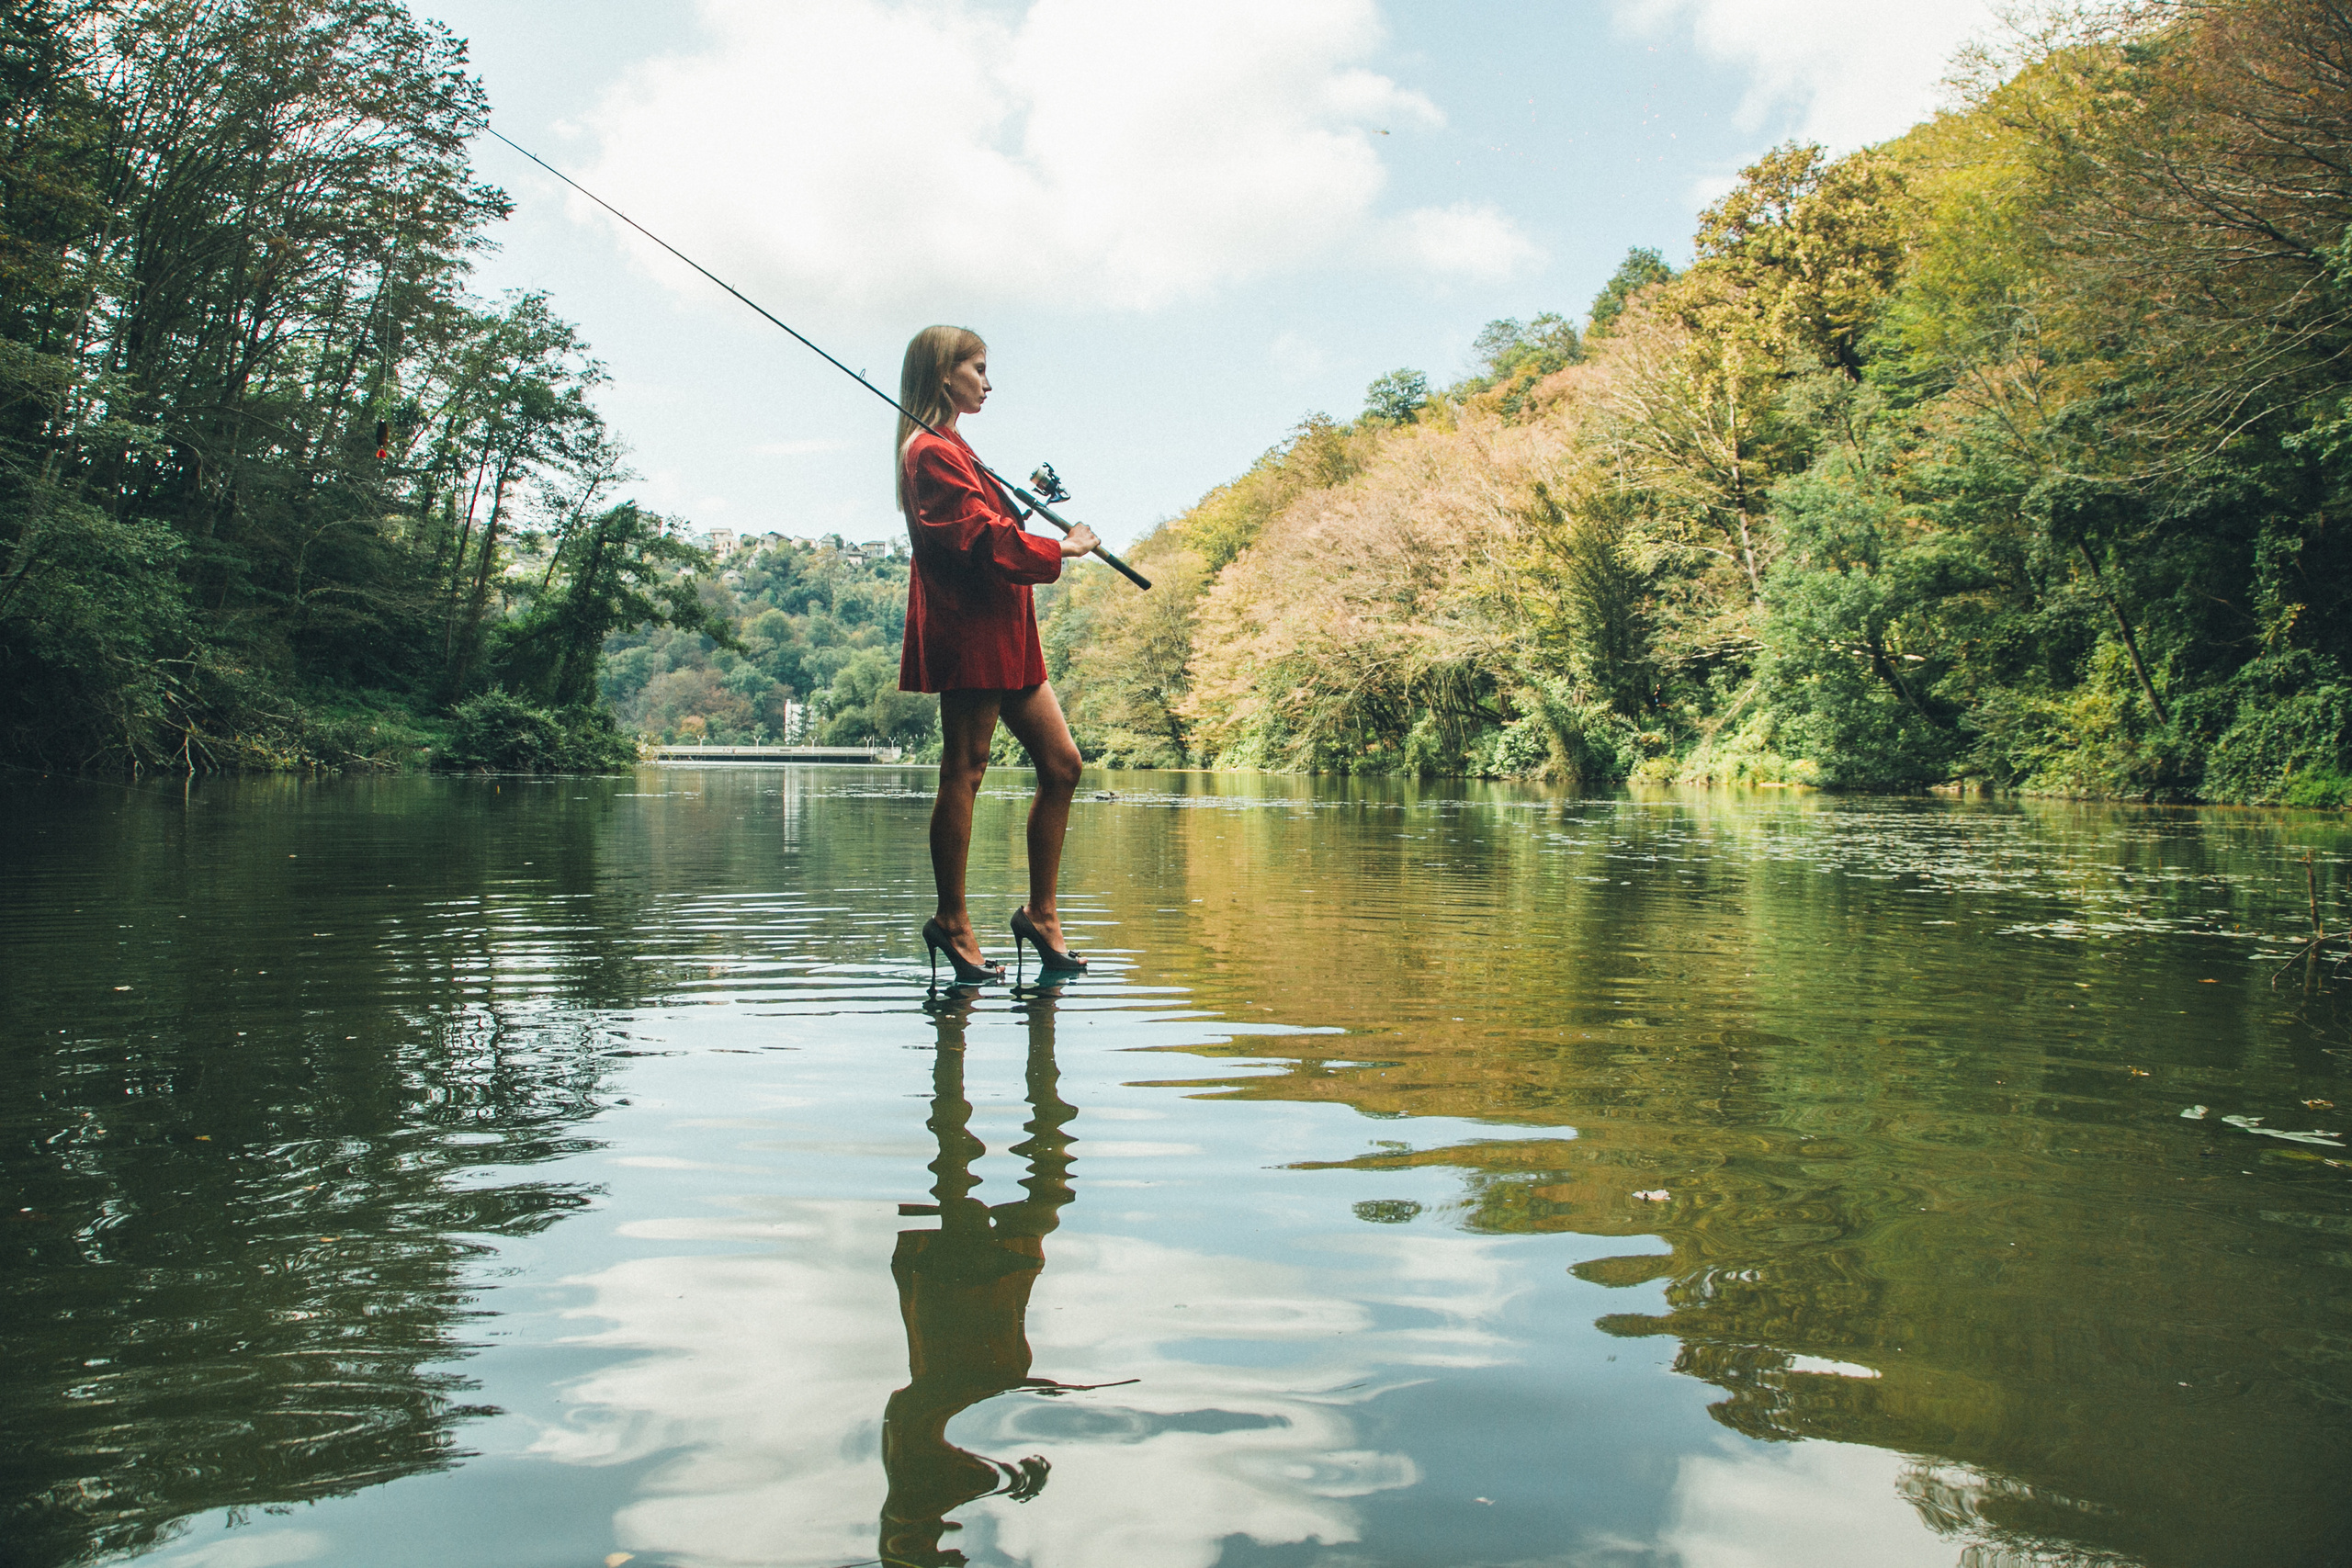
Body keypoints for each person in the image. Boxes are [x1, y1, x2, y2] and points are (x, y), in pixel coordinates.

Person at [896, 325, 1099, 984]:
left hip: (1008, 629)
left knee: (1063, 764)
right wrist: (1061, 548)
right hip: (971, 627)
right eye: (977, 368)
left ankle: (1041, 914)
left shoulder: (956, 447)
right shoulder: (928, 451)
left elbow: (995, 522)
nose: (987, 381)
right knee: (967, 768)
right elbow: (981, 539)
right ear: (942, 373)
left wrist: (1028, 502)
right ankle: (951, 920)